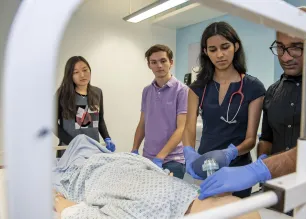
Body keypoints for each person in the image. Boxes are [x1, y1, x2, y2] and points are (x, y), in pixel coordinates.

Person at [196, 7, 306, 218]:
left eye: (296, 48)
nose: (285, 57)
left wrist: (256, 170)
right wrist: (262, 161)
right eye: (280, 47)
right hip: (280, 196)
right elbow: (268, 139)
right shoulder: (273, 91)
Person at [53, 134, 261, 219]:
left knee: (74, 144)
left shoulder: (153, 213)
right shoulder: (191, 192)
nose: (229, 194)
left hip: (83, 172)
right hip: (116, 161)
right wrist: (157, 171)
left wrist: (59, 201)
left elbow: (80, 215)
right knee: (81, 139)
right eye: (234, 198)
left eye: (229, 200)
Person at [182, 21, 266, 198]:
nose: (219, 55)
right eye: (212, 50)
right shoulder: (198, 88)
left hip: (238, 171)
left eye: (225, 47)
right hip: (205, 167)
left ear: (236, 46)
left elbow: (251, 139)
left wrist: (231, 152)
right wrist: (189, 152)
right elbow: (189, 127)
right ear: (205, 52)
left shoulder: (253, 88)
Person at [131, 44, 188, 179]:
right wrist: (134, 149)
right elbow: (143, 123)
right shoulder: (147, 91)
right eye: (154, 62)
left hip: (173, 160)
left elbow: (182, 129)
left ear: (171, 63)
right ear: (149, 65)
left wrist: (160, 157)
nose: (159, 66)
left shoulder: (182, 91)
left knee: (170, 199)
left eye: (163, 61)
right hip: (148, 158)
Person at [55, 56, 115, 157]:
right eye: (76, 72)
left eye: (85, 70)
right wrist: (72, 142)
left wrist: (107, 138)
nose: (82, 75)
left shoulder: (97, 92)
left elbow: (100, 120)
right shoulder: (62, 94)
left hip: (93, 151)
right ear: (70, 75)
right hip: (70, 151)